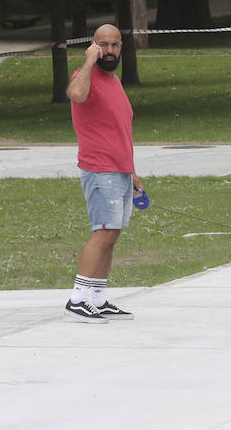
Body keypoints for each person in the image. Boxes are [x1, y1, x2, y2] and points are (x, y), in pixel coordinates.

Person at [64, 23, 142, 323]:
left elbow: (120, 131)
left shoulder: (114, 81)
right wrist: (87, 61)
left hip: (120, 171)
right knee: (103, 232)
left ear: (121, 48)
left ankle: (98, 297)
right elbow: (75, 94)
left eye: (114, 45)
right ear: (94, 46)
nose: (109, 51)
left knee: (112, 235)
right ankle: (78, 298)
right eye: (103, 45)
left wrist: (132, 173)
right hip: (100, 170)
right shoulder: (86, 76)